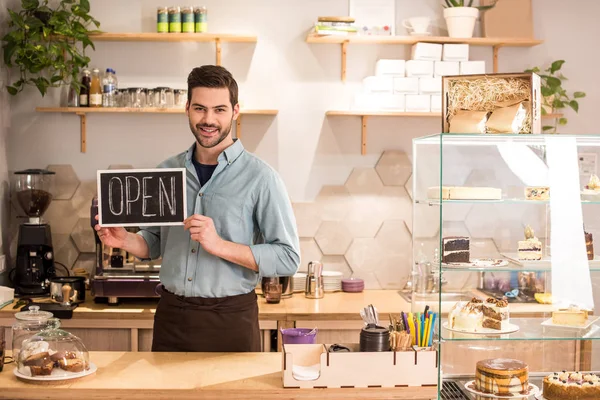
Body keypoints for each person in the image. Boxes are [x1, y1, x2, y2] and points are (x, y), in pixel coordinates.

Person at [94, 65, 300, 352]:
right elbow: (153, 243)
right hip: (171, 317)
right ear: (187, 108)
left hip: (231, 320)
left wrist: (219, 245)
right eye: (200, 108)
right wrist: (125, 239)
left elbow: (288, 257)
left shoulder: (261, 178)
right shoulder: (166, 171)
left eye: (219, 110)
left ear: (235, 111)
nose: (208, 119)